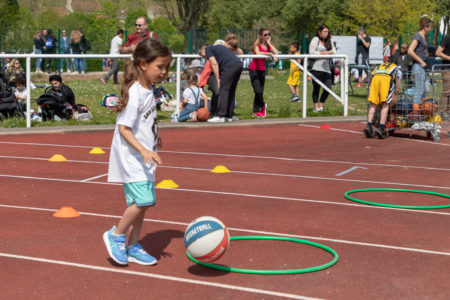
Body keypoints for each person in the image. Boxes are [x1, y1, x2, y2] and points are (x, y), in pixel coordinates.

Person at [104, 38, 171, 266]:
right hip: (132, 156)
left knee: (143, 205)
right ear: (143, 64)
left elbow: (144, 122)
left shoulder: (148, 90)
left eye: (166, 67)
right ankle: (116, 235)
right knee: (144, 200)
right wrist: (143, 148)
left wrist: (154, 137)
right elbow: (124, 128)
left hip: (145, 156)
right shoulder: (135, 92)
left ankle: (133, 245)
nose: (164, 72)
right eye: (160, 67)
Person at [198, 42, 243, 123]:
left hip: (230, 66)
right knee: (231, 91)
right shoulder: (219, 48)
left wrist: (218, 78)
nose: (205, 58)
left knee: (223, 90)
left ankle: (220, 115)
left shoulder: (208, 49)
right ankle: (229, 116)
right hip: (238, 64)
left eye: (203, 55)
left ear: (203, 50)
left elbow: (214, 63)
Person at [364, 62, 400, 139]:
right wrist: (396, 93)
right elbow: (398, 82)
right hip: (386, 79)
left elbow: (371, 77)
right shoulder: (397, 68)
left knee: (373, 104)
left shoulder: (380, 65)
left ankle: (369, 126)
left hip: (375, 78)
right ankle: (381, 128)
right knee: (385, 104)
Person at [248, 28, 278, 118]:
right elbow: (257, 53)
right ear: (261, 36)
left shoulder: (268, 46)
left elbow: (276, 52)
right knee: (257, 90)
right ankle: (263, 105)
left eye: (269, 34)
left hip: (262, 70)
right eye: (265, 35)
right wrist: (270, 54)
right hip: (253, 69)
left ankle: (255, 111)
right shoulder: (257, 44)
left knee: (260, 92)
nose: (267, 36)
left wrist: (269, 44)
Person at [309, 24, 336, 112]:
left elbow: (334, 51)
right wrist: (323, 53)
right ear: (319, 32)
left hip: (326, 68)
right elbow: (311, 52)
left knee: (328, 87)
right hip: (316, 68)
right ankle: (316, 107)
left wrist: (328, 52)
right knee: (316, 88)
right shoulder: (315, 39)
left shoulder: (329, 40)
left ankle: (321, 104)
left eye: (328, 32)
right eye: (324, 31)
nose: (326, 33)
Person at [408, 16, 434, 107]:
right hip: (418, 66)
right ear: (425, 26)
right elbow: (410, 51)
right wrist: (421, 61)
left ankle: (420, 107)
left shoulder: (423, 37)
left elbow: (421, 50)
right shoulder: (417, 35)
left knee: (426, 89)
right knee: (419, 90)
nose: (431, 29)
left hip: (423, 67)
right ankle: (415, 113)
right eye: (430, 27)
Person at [436, 34, 450, 120]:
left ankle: (448, 112)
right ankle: (442, 112)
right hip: (447, 69)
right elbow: (438, 52)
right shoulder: (447, 38)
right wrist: (449, 58)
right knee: (447, 91)